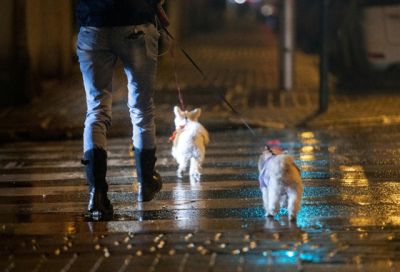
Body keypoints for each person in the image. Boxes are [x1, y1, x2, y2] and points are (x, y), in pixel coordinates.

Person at [75, 0, 163, 220]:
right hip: (136, 25)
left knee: (96, 110)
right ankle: (146, 183)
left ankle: (97, 195)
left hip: (94, 25)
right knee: (142, 109)